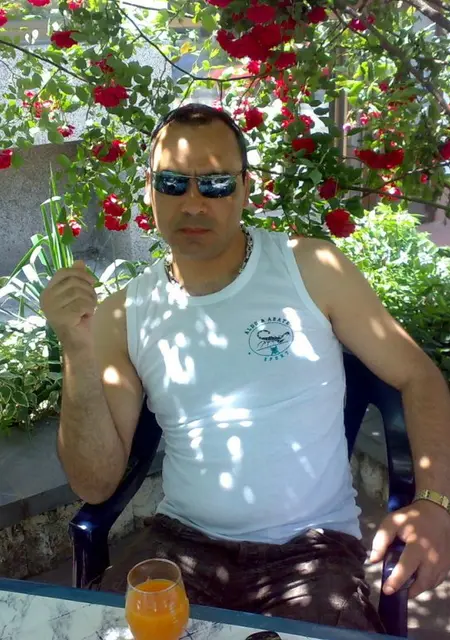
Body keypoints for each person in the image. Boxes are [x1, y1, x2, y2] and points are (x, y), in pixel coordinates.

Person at [40, 103, 450, 632]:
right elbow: (94, 486)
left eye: (215, 184)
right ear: (149, 191)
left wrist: (435, 502)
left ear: (245, 188)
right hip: (181, 544)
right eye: (173, 183)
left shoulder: (311, 268)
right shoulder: (124, 314)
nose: (193, 203)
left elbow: (418, 376)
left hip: (312, 551)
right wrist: (77, 350)